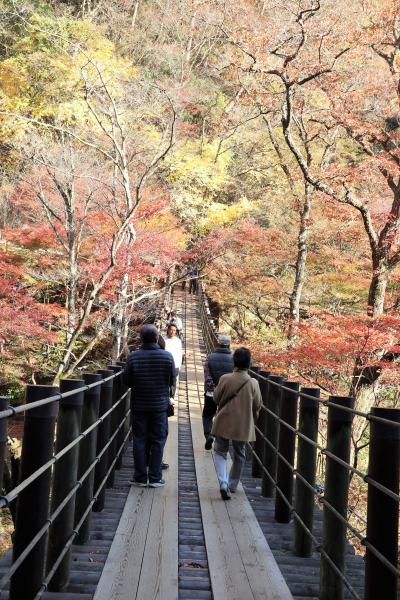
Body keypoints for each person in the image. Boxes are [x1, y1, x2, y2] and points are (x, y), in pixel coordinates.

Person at [123, 324, 176, 488]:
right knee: (158, 440)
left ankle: (139, 477)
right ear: (156, 338)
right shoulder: (167, 357)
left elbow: (127, 381)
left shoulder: (133, 357)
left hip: (139, 405)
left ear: (141, 338)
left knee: (139, 440)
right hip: (159, 406)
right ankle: (154, 477)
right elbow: (172, 382)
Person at [211, 347, 262, 500]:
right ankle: (233, 485)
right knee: (240, 454)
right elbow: (258, 405)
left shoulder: (225, 378)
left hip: (224, 421)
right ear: (249, 363)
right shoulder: (254, 383)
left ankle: (223, 483)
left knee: (220, 452)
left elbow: (216, 398)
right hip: (243, 424)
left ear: (234, 361)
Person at [202, 334, 234, 450]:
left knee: (207, 415)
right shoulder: (234, 358)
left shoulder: (210, 357)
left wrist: (213, 388)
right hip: (227, 394)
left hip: (211, 393)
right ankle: (220, 440)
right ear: (229, 345)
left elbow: (207, 376)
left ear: (218, 343)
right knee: (223, 416)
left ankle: (209, 435)